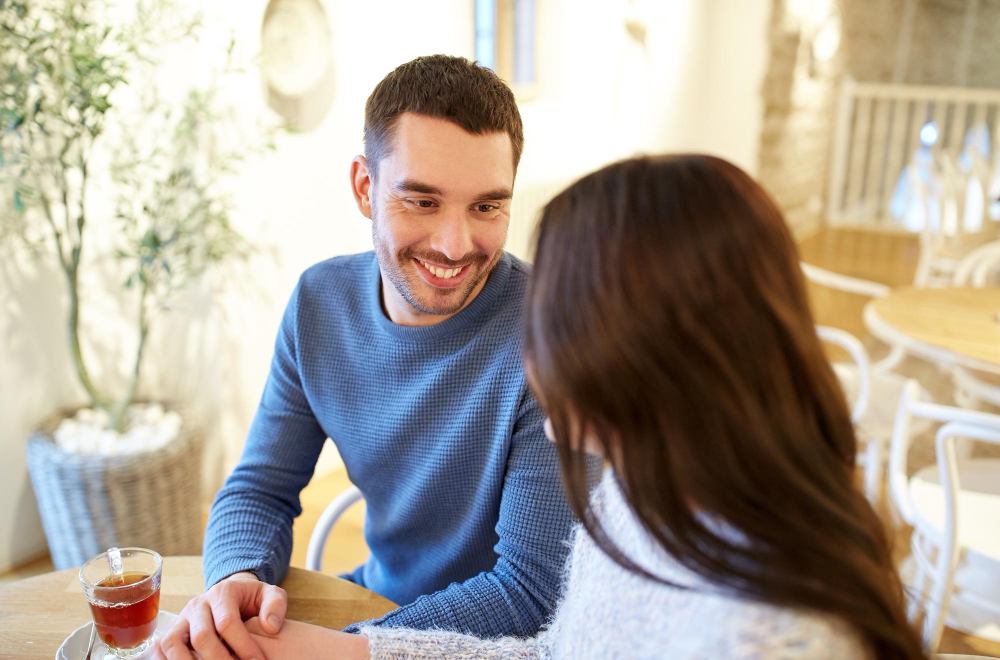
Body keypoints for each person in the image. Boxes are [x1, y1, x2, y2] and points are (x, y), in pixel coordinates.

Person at [230, 155, 928, 659]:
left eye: (553, 312)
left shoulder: (771, 634)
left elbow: (528, 602)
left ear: (649, 345)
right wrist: (337, 653)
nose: (529, 345)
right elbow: (559, 651)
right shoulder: (642, 488)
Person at [153, 55, 595, 660]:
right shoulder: (318, 304)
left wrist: (339, 650)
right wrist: (236, 581)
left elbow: (530, 594)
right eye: (422, 201)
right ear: (366, 187)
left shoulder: (557, 330)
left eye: (487, 207)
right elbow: (260, 487)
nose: (454, 245)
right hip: (373, 609)